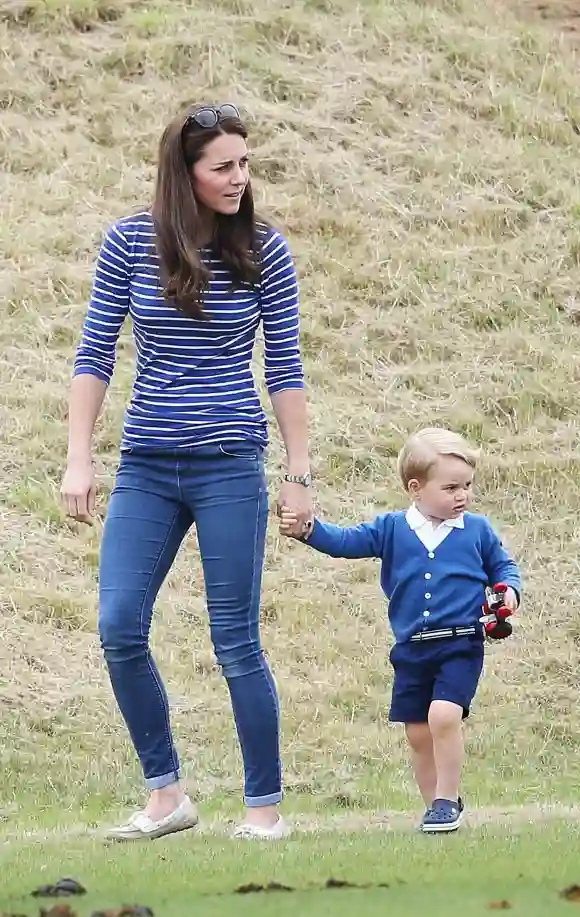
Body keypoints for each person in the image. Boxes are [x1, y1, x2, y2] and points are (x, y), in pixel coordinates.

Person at [60, 103, 314, 842]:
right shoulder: (130, 242)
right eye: (223, 166)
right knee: (118, 625)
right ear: (185, 174)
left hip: (231, 462)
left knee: (235, 640)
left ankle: (264, 809)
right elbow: (94, 352)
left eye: (245, 163)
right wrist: (81, 456)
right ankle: (166, 793)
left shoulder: (266, 248)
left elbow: (286, 368)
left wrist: (298, 470)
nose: (240, 178)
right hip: (146, 463)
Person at [280, 427, 521, 833]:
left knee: (444, 716)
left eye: (467, 486)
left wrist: (508, 593)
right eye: (450, 487)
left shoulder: (477, 530)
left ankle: (446, 799)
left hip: (461, 643)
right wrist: (308, 529)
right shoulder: (391, 528)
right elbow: (344, 542)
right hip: (411, 649)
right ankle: (437, 807)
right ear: (415, 487)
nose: (462, 495)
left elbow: (505, 569)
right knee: (418, 732)